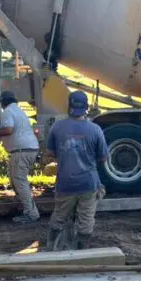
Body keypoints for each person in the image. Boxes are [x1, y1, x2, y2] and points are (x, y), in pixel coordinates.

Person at [45, 91, 108, 250]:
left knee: (59, 217)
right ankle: (81, 252)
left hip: (65, 183)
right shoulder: (95, 130)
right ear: (86, 107)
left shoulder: (57, 127)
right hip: (88, 183)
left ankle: (51, 247)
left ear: (69, 106)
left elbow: (51, 153)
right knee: (86, 221)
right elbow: (103, 158)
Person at [0, 90, 41, 224]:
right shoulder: (18, 111)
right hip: (27, 149)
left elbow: (8, 130)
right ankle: (25, 207)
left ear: (2, 102)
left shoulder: (7, 111)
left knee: (19, 182)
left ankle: (31, 214)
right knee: (16, 181)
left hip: (21, 151)